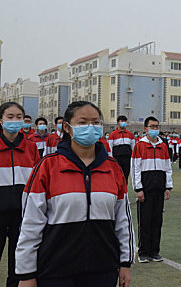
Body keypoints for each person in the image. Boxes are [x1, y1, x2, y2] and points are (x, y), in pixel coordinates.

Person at [15, 101, 134, 287]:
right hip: (55, 271)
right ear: (67, 128)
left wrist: (125, 263)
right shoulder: (47, 166)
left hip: (103, 270)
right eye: (82, 122)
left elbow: (123, 221)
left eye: (96, 122)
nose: (90, 127)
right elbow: (30, 223)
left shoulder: (113, 168)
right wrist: (26, 273)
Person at [0, 103, 40, 287]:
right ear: (1, 121)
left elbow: (38, 181)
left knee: (18, 264)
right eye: (10, 117)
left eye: (19, 117)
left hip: (23, 216)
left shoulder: (31, 147)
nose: (14, 121)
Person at [131, 116, 172, 263]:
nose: (155, 129)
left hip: (159, 189)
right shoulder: (139, 146)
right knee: (145, 221)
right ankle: (143, 252)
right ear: (145, 129)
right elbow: (135, 169)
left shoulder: (163, 146)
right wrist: (138, 188)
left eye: (156, 126)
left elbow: (168, 168)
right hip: (145, 189)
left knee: (157, 221)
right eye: (152, 126)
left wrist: (168, 187)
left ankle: (155, 251)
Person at [108, 116, 135, 184]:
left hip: (127, 158)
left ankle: (125, 192)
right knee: (117, 175)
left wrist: (133, 157)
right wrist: (111, 158)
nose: (124, 123)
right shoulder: (112, 134)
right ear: (118, 123)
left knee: (126, 175)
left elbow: (133, 147)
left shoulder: (130, 134)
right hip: (117, 158)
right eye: (122, 121)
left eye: (125, 121)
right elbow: (110, 147)